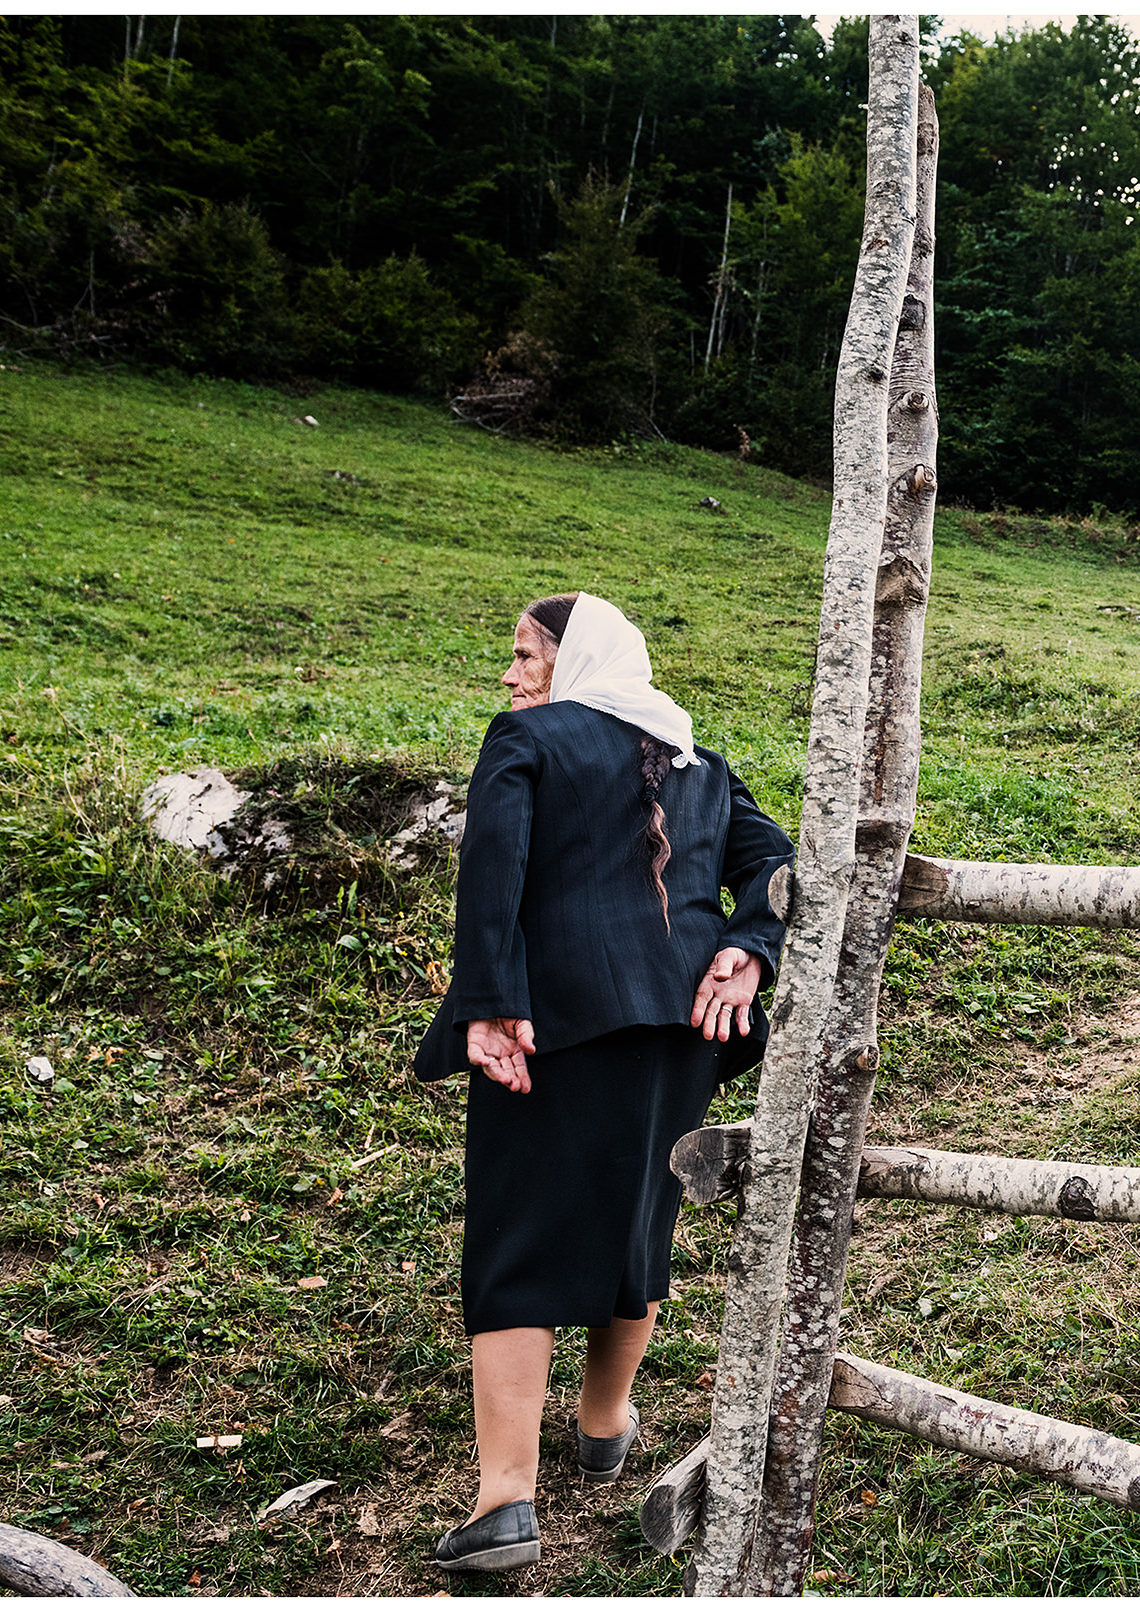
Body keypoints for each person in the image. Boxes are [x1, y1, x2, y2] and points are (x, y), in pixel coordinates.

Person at [412, 591, 792, 1574]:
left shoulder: (527, 743)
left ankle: (505, 1503)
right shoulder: (701, 762)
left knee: (516, 1239)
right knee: (640, 1217)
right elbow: (780, 868)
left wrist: (489, 999)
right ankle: (604, 1422)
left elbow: (493, 865)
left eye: (526, 655)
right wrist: (749, 947)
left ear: (575, 660)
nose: (510, 676)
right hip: (683, 1023)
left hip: (557, 1019)